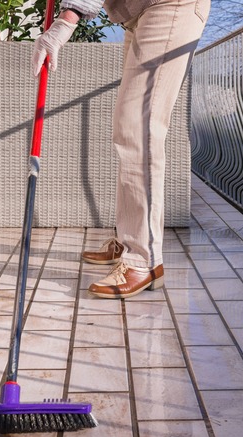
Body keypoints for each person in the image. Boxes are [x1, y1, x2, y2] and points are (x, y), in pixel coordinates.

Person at [31, 0, 210, 299]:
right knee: (130, 128)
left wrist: (67, 19)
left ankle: (143, 260)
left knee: (138, 126)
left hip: (170, 6)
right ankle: (129, 240)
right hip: (139, 14)